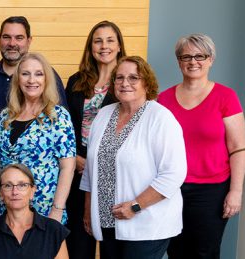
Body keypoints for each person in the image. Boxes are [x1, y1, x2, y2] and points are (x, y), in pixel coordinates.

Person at [80, 56, 187, 259]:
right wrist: (88, 210)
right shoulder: (103, 115)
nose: (125, 83)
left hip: (146, 223)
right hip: (107, 221)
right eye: (119, 78)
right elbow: (90, 170)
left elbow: (173, 174)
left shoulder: (161, 118)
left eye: (133, 77)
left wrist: (136, 205)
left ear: (146, 82)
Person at [159, 33, 245, 259]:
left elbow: (238, 147)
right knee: (175, 251)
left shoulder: (226, 97)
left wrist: (235, 191)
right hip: (171, 187)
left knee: (204, 253)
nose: (192, 61)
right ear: (178, 61)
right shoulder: (163, 100)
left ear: (211, 60)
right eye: (186, 56)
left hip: (212, 190)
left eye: (200, 56)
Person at [63, 20, 125, 259]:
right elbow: (65, 125)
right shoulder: (76, 81)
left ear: (119, 45)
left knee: (112, 246)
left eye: (110, 40)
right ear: (90, 47)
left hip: (114, 175)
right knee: (80, 244)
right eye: (98, 41)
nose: (104, 46)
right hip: (79, 172)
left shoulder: (127, 81)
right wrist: (74, 158)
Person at [0, 53, 76, 224]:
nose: (32, 80)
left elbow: (68, 167)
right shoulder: (5, 116)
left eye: (38, 74)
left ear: (47, 79)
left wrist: (57, 210)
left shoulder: (58, 116)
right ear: (17, 79)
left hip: (44, 211)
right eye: (25, 74)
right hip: (6, 209)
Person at [0, 16, 67, 115]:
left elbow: (62, 118)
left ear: (29, 41)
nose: (12, 43)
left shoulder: (46, 74)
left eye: (19, 38)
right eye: (6, 37)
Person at [0, 164, 69, 259]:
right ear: (0, 193)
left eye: (22, 185)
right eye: (8, 185)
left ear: (32, 191)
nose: (15, 192)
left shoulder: (54, 230)